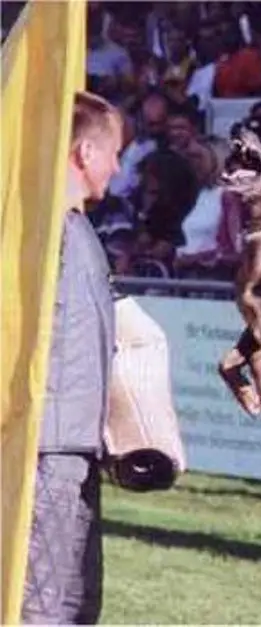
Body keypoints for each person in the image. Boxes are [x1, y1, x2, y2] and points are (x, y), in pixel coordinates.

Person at [20, 91, 123, 624]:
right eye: (114, 153)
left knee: (76, 601)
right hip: (47, 445)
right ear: (85, 152)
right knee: (40, 601)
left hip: (76, 445)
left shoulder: (76, 226)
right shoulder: (42, 226)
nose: (119, 167)